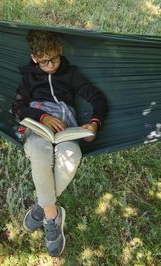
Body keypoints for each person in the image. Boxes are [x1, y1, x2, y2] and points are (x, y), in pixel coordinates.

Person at [11, 30, 107, 257]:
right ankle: (52, 215)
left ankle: (42, 207)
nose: (50, 66)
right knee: (39, 152)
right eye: (43, 62)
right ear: (34, 58)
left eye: (54, 59)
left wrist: (94, 124)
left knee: (71, 157)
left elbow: (98, 98)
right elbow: (17, 107)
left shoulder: (71, 74)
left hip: (66, 129)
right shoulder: (30, 78)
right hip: (38, 127)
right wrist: (41, 116)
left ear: (60, 51)